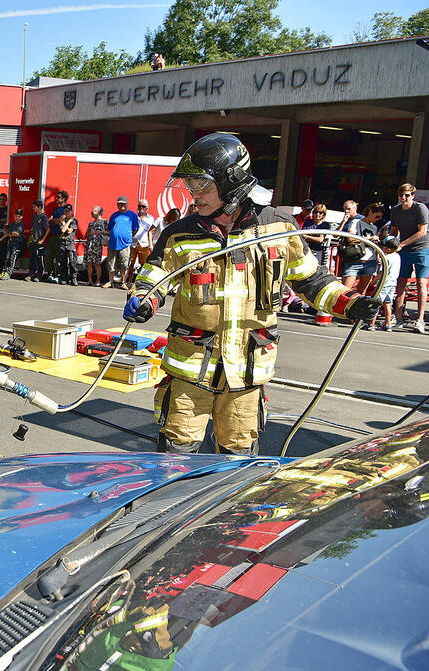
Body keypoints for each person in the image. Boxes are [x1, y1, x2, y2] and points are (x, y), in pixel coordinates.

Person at [124, 133, 380, 454]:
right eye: (190, 185)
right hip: (190, 374)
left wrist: (351, 303)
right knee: (175, 460)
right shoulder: (181, 232)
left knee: (237, 463)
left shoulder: (278, 227)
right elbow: (155, 274)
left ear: (232, 182)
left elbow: (311, 279)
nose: (194, 194)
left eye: (202, 185)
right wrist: (143, 297)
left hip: (246, 378)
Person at [390, 183, 429, 333]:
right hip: (404, 250)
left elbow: (422, 232)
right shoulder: (395, 210)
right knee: (401, 282)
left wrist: (402, 244)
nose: (404, 198)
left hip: (422, 249)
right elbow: (394, 231)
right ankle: (398, 317)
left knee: (421, 283)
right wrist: (388, 245)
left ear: (413, 196)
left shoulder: (420, 208)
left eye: (407, 195)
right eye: (401, 195)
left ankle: (420, 320)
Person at [338, 202, 383, 294]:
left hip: (370, 261)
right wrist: (370, 238)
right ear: (370, 212)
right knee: (345, 291)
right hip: (355, 259)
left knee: (362, 292)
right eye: (376, 216)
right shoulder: (356, 222)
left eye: (380, 217)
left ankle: (356, 308)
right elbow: (350, 239)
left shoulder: (374, 227)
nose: (377, 219)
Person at [105, 196, 138, 288]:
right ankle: (110, 282)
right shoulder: (114, 215)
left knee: (124, 263)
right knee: (110, 263)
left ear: (126, 204)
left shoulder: (132, 215)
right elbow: (109, 229)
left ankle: (123, 282)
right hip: (112, 243)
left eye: (123, 203)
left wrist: (128, 237)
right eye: (120, 203)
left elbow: (136, 229)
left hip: (125, 244)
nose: (121, 205)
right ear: (117, 204)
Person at [128, 199, 156, 285]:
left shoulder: (151, 218)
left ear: (147, 208)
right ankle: (129, 281)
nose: (141, 208)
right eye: (139, 206)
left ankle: (140, 281)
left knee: (143, 264)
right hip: (132, 243)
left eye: (143, 206)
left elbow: (152, 232)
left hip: (144, 244)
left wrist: (151, 244)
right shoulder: (133, 217)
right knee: (130, 263)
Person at [0, 208, 26, 280]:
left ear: (21, 217)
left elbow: (17, 234)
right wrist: (11, 234)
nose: (17, 218)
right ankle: (4, 272)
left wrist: (11, 234)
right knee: (7, 257)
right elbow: (9, 233)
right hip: (10, 242)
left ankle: (8, 273)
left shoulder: (21, 224)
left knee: (12, 258)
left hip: (17, 244)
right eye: (16, 216)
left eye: (19, 216)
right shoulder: (12, 224)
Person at [83, 206, 107, 286]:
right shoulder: (91, 223)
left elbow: (109, 232)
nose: (93, 212)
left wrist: (100, 232)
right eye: (93, 210)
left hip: (98, 245)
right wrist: (90, 233)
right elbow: (85, 235)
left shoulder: (104, 222)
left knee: (97, 263)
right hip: (89, 245)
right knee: (89, 263)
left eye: (95, 211)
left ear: (100, 212)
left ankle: (98, 281)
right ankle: (89, 280)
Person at [56, 209, 80, 285]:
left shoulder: (74, 221)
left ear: (71, 212)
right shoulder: (62, 220)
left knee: (72, 262)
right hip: (62, 243)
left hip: (70, 243)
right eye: (66, 212)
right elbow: (63, 230)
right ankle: (64, 278)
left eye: (69, 212)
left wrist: (68, 222)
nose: (67, 213)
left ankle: (74, 278)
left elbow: (69, 231)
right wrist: (65, 222)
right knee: (63, 262)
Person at [28, 200, 50, 281]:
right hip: (33, 241)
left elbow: (48, 229)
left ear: (39, 207)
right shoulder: (34, 217)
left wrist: (42, 239)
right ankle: (31, 274)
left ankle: (39, 275)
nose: (33, 208)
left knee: (39, 259)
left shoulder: (43, 217)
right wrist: (29, 240)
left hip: (40, 242)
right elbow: (32, 229)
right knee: (32, 258)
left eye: (34, 207)